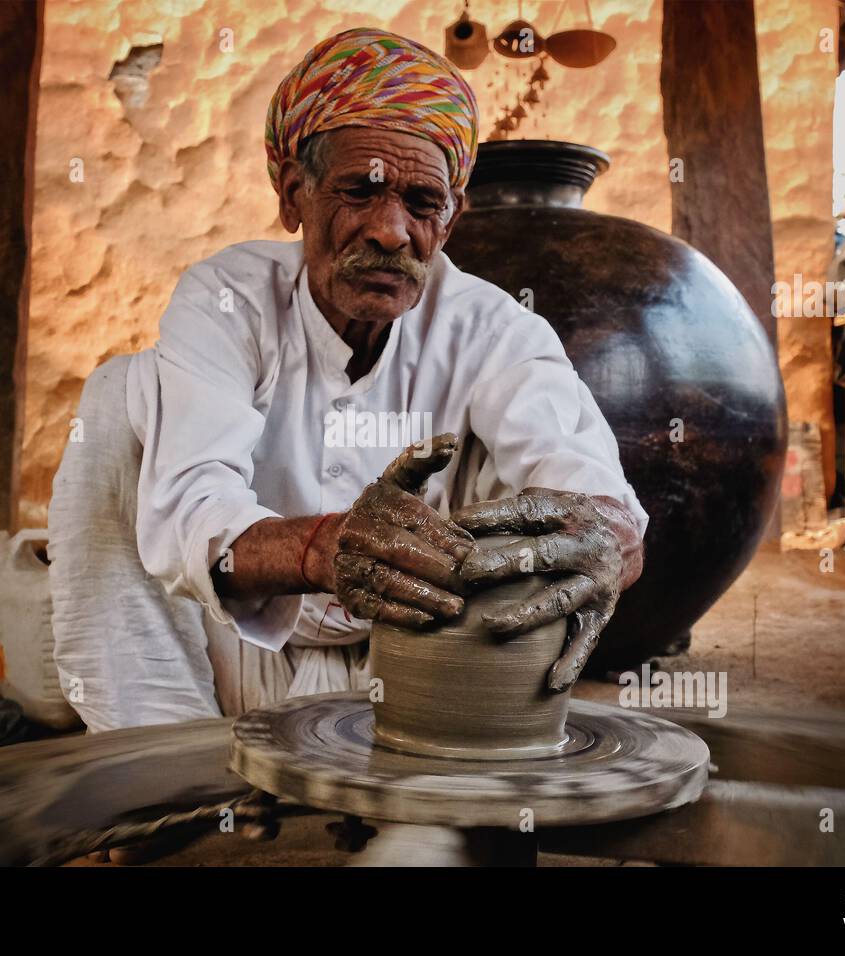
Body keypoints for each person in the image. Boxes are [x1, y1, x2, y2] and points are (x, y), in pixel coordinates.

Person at [48, 27, 647, 734]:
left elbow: (601, 499)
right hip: (238, 662)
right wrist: (323, 548)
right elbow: (190, 503)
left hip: (420, 671)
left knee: (539, 504)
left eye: (423, 203)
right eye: (359, 193)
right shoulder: (227, 300)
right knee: (120, 396)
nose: (391, 231)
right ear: (291, 194)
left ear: (450, 220)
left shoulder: (493, 330)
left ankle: (459, 781)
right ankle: (159, 773)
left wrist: (601, 533)